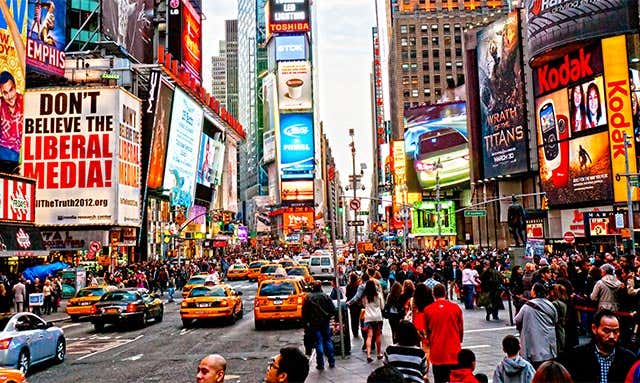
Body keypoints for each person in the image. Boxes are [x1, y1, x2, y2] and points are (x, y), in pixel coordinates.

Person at [562, 309, 636, 383]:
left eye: (615, 331)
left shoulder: (628, 359)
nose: (612, 336)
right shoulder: (575, 356)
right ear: (594, 329)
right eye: (607, 331)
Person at [424, 283, 464, 383]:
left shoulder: (428, 310)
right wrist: (459, 340)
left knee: (439, 379)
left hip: (437, 352)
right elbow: (460, 329)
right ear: (445, 293)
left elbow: (427, 332)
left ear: (433, 294)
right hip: (454, 351)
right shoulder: (456, 308)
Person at [514, 283, 557, 369]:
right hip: (548, 342)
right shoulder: (550, 304)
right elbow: (555, 319)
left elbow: (516, 320)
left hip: (534, 343)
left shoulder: (527, 306)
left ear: (534, 292)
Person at [301, 281, 335, 370]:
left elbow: (304, 313)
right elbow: (333, 310)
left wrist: (305, 324)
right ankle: (331, 361)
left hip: (314, 324)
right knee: (327, 340)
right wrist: (328, 317)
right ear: (320, 287)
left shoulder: (308, 298)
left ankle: (320, 364)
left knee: (318, 342)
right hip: (325, 322)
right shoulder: (326, 296)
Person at [0, 71, 23, 163]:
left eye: (11, 90)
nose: (9, 96)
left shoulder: (25, 102)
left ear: (15, 87)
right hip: (3, 150)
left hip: (20, 150)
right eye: (5, 93)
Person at [361, 279, 384, 363]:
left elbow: (364, 305)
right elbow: (382, 306)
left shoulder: (365, 296)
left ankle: (369, 354)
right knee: (378, 335)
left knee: (369, 336)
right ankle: (378, 353)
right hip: (377, 317)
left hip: (368, 317)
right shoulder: (378, 295)